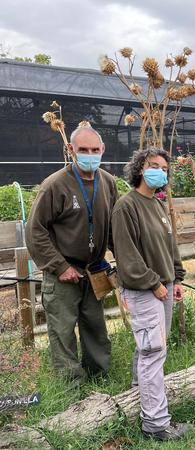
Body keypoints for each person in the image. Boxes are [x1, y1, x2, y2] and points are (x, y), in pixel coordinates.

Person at [25, 124, 117, 386]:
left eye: (95, 150)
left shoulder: (108, 182)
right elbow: (35, 231)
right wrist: (59, 266)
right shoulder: (54, 185)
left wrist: (121, 258)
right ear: (70, 150)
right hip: (63, 272)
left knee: (95, 327)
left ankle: (100, 377)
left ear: (103, 149)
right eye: (83, 150)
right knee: (63, 331)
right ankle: (71, 385)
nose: (90, 155)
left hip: (94, 270)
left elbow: (113, 227)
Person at [111, 148, 192, 441]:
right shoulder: (126, 206)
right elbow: (128, 257)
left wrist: (176, 277)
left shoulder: (157, 204)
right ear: (139, 169)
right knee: (152, 351)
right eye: (153, 166)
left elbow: (169, 246)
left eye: (164, 168)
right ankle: (156, 424)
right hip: (144, 289)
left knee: (150, 348)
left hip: (164, 286)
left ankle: (139, 395)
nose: (160, 171)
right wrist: (154, 283)